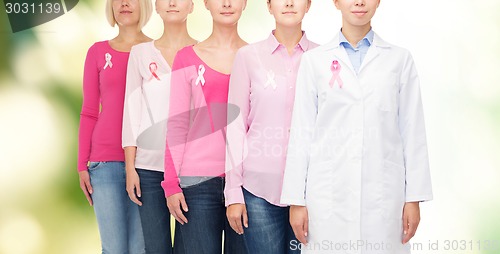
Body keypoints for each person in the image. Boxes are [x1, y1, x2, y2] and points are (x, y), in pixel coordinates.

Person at [280, 0, 433, 253]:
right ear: (336, 2)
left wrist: (413, 198)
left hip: (383, 196)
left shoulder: (399, 60)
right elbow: (301, 133)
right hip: (328, 196)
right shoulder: (314, 61)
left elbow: (413, 131)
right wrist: (296, 200)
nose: (359, 2)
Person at [224, 0, 317, 253]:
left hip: (311, 192)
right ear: (268, 5)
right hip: (258, 191)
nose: (288, 3)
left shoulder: (323, 59)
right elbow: (235, 127)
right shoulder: (248, 57)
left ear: (308, 5)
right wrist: (233, 192)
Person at [161, 0, 248, 253]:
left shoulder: (256, 58)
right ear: (206, 3)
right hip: (196, 183)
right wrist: (171, 183)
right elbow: (177, 123)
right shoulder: (186, 57)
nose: (227, 3)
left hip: (245, 182)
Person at [122, 0, 197, 253]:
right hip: (148, 169)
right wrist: (131, 168)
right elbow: (131, 113)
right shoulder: (141, 54)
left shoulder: (202, 52)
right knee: (156, 248)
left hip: (191, 171)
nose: (172, 3)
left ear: (192, 6)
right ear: (156, 6)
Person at [77, 0, 152, 253]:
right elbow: (89, 112)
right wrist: (81, 165)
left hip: (146, 163)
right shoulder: (97, 52)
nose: (124, 3)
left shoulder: (156, 51)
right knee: (114, 248)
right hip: (104, 164)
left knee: (140, 248)